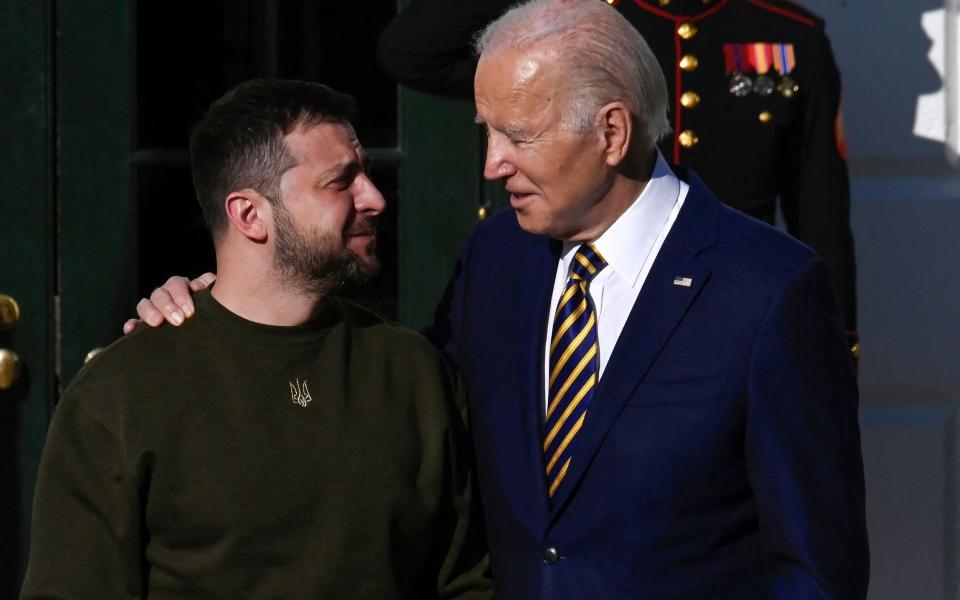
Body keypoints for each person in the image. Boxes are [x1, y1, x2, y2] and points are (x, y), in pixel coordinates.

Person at [132, 1, 869, 598]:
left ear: (611, 132)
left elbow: (814, 568)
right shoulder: (501, 255)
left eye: (518, 135)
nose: (492, 165)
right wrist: (223, 318)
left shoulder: (768, 289)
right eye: (487, 133)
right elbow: (406, 403)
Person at [21, 79, 491, 599]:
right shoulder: (121, 395)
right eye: (341, 182)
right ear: (249, 214)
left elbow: (467, 580)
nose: (375, 198)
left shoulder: (413, 372)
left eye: (370, 175)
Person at [377, 0, 860, 359]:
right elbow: (410, 52)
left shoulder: (788, 36)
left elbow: (821, 217)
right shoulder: (580, 25)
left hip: (729, 312)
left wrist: (835, 351)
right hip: (588, 296)